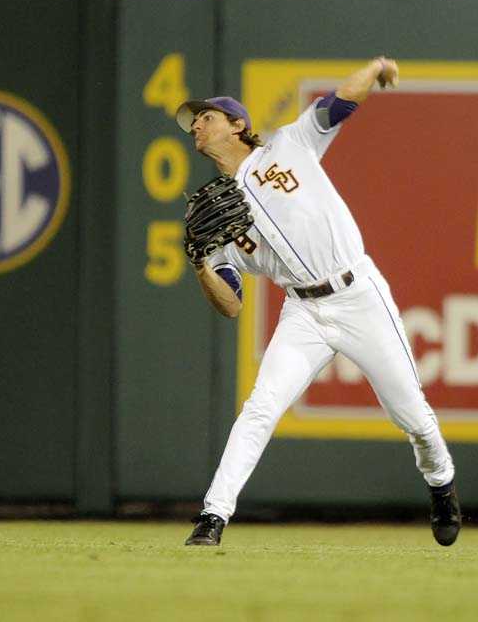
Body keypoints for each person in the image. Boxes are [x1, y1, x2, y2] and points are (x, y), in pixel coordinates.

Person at [175, 57, 461, 547]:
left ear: (238, 125)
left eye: (207, 116)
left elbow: (338, 103)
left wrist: (373, 70)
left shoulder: (290, 144)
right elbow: (231, 306)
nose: (196, 124)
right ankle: (212, 517)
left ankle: (441, 484)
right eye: (192, 121)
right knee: (260, 408)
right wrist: (202, 264)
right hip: (303, 312)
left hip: (358, 294)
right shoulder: (215, 218)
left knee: (412, 415)